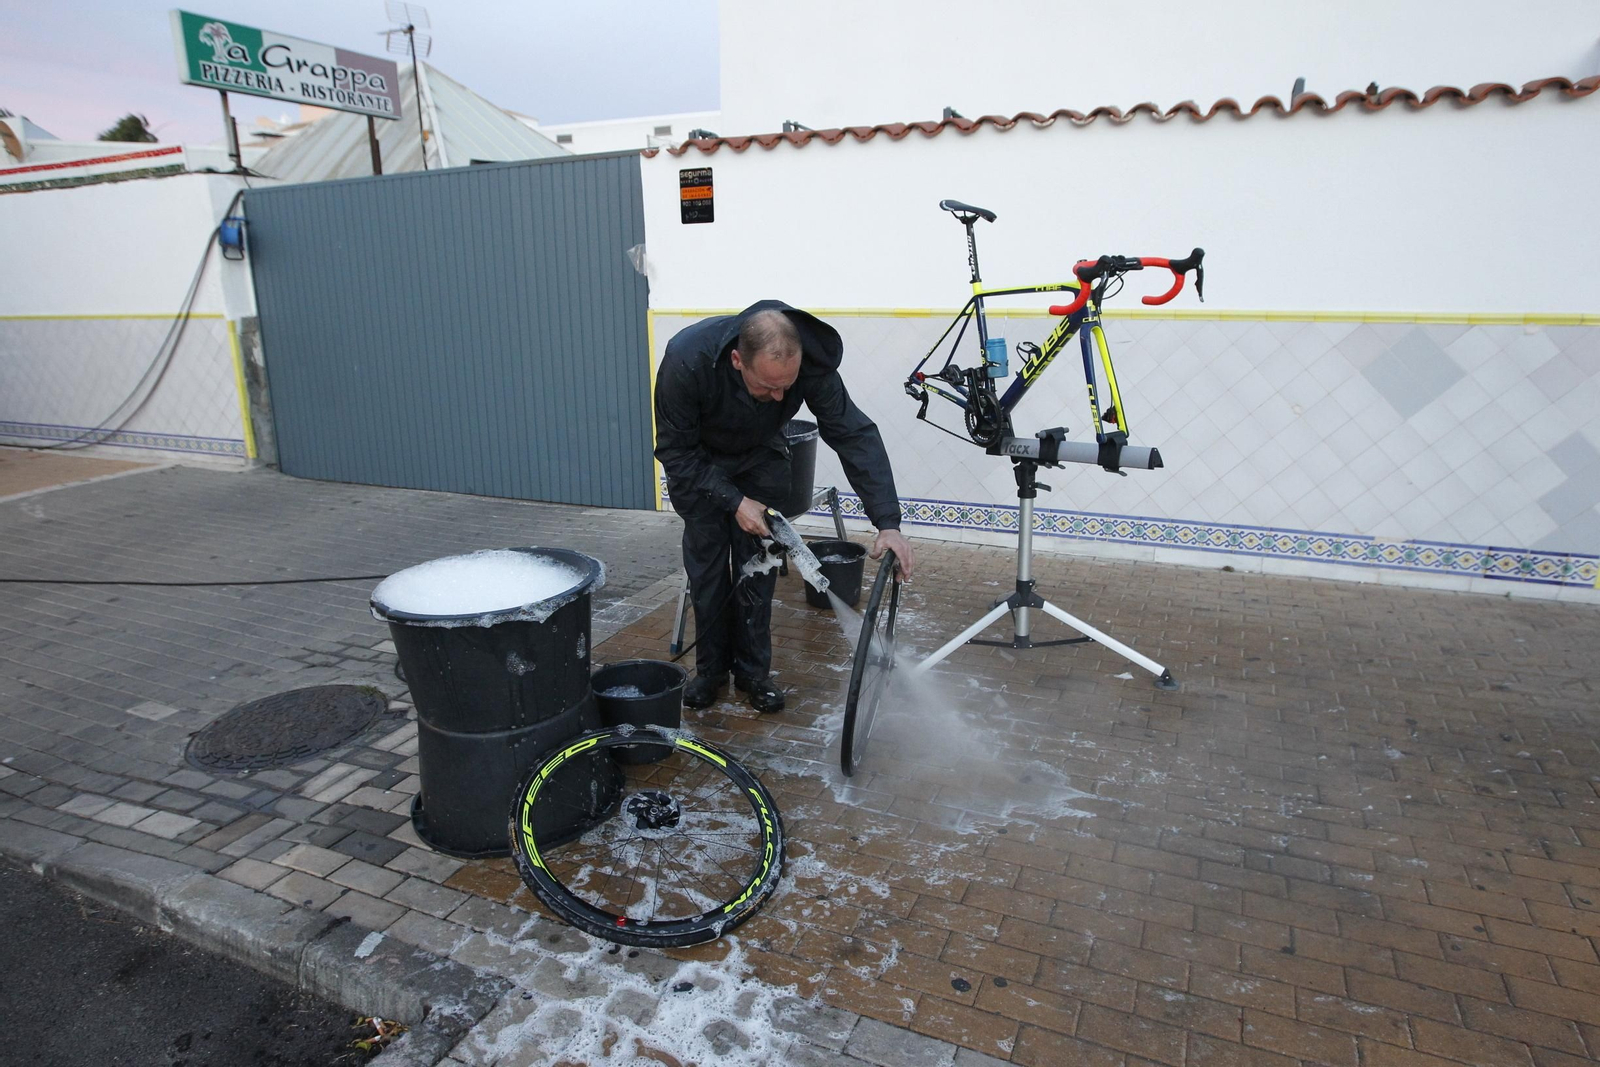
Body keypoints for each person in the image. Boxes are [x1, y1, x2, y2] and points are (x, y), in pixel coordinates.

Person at [654, 301, 916, 713]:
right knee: (707, 574)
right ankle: (711, 672)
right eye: (768, 387)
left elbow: (853, 434)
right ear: (738, 360)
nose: (779, 396)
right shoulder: (687, 360)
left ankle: (754, 675)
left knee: (757, 571)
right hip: (698, 467)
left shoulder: (808, 364)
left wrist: (888, 522)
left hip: (760, 459)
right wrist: (734, 500)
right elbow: (674, 450)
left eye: (786, 387)